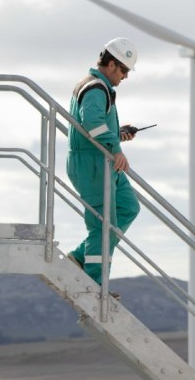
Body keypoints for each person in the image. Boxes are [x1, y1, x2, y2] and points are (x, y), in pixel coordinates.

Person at [66, 38, 141, 286]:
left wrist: (118, 134)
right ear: (111, 64)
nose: (125, 76)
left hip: (102, 162)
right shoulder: (96, 88)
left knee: (128, 207)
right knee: (102, 225)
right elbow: (91, 122)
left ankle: (80, 256)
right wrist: (116, 148)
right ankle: (94, 283)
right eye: (124, 70)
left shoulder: (98, 87)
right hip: (93, 166)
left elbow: (95, 127)